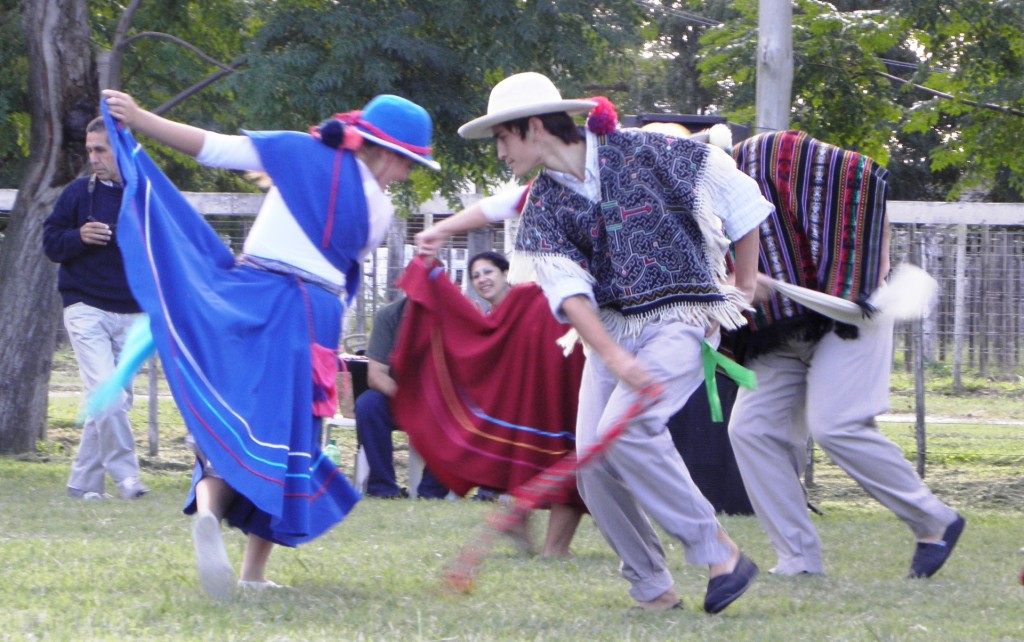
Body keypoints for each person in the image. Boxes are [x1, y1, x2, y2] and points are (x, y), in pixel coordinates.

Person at [415, 72, 774, 613]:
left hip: (680, 317)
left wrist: (742, 285)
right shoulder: (542, 206)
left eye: (503, 138)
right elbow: (569, 293)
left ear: (534, 127)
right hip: (610, 333)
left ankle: (719, 552)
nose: (499, 151)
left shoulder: (647, 150)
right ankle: (652, 588)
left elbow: (740, 197)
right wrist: (615, 358)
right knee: (591, 462)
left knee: (626, 432)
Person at [101, 88, 439, 598]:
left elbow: (214, 147)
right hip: (310, 318)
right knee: (293, 440)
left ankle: (210, 511)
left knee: (240, 422)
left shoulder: (297, 152)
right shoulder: (378, 211)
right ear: (388, 153)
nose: (405, 175)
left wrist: (140, 118)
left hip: (250, 296)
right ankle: (253, 574)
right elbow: (338, 264)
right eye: (408, 163)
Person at [727, 129, 964, 579]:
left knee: (835, 425)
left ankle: (934, 521)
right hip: (775, 329)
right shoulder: (682, 207)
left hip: (844, 314)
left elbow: (859, 175)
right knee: (751, 430)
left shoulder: (765, 156)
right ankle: (798, 558)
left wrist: (850, 272)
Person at [43, 117, 149, 502]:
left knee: (113, 402)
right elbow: (51, 243)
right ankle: (128, 477)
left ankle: (83, 484)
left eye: (100, 150)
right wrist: (79, 236)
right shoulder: (76, 194)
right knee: (109, 395)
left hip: (135, 314)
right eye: (89, 150)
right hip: (85, 306)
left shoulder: (145, 194)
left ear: (120, 149)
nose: (93, 158)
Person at [355, 296, 449, 499]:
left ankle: (431, 493)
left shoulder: (453, 315)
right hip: (397, 397)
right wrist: (408, 398)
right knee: (368, 405)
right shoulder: (389, 316)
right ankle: (383, 488)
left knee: (454, 415)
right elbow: (375, 375)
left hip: (438, 402)